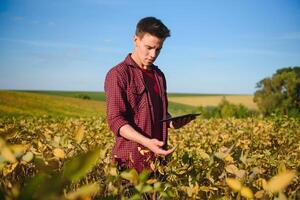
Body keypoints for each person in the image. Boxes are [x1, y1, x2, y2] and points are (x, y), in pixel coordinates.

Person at [104, 17, 194, 173]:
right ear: (135, 40)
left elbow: (158, 113)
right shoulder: (118, 74)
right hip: (129, 163)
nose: (153, 54)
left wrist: (171, 122)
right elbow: (116, 120)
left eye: (158, 49)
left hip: (159, 163)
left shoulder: (159, 76)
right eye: (149, 47)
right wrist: (146, 142)